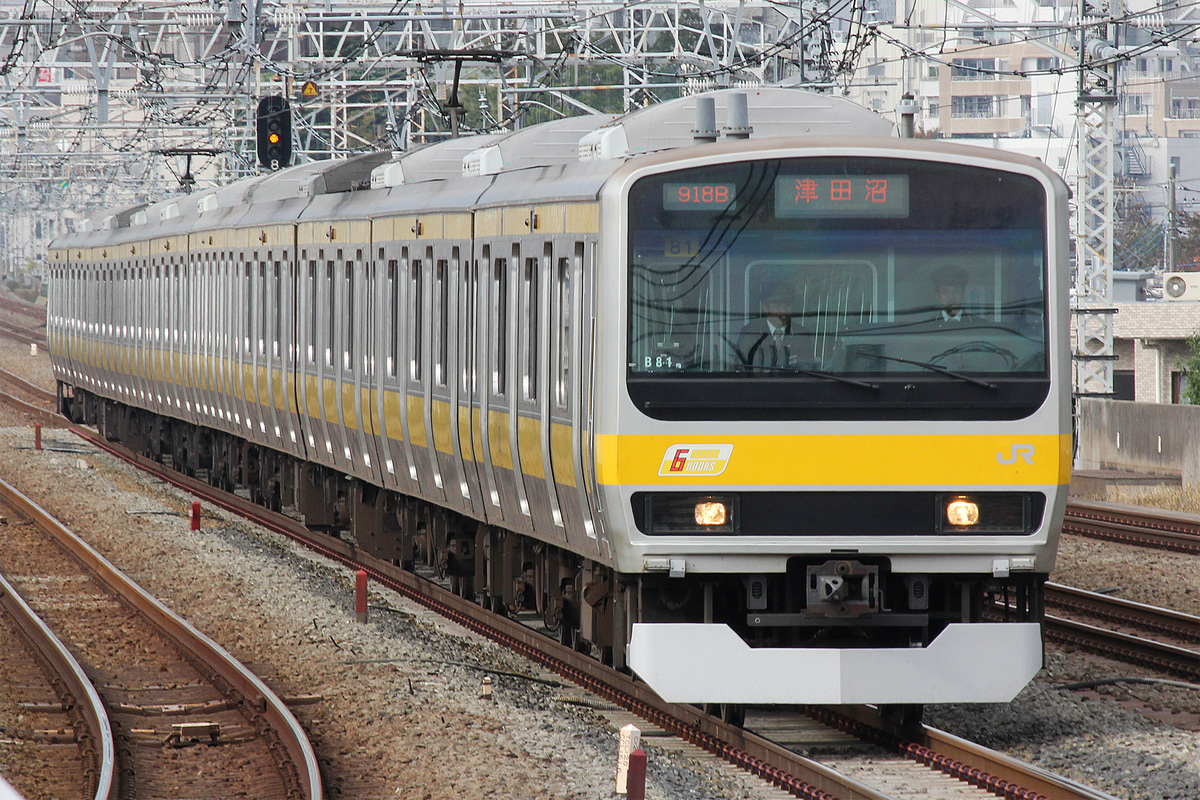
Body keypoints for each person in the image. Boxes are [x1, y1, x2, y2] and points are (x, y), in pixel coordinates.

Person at [736, 282, 812, 372]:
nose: (783, 311)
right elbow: (741, 368)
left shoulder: (801, 334)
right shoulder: (750, 332)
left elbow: (807, 369)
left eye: (787, 306)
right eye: (777, 306)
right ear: (765, 308)